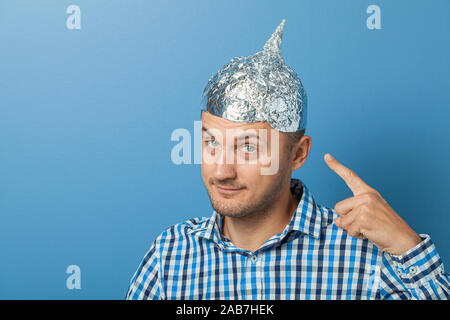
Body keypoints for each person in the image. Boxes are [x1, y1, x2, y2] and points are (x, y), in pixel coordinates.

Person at [126, 20, 449, 300]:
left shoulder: (365, 256)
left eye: (248, 147)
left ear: (298, 153)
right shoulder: (172, 253)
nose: (222, 171)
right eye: (212, 142)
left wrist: (408, 247)